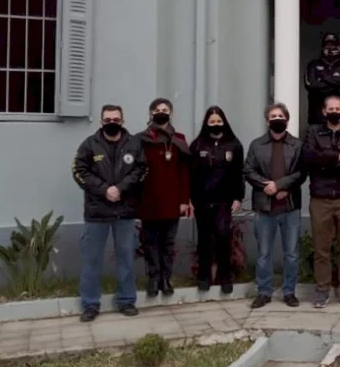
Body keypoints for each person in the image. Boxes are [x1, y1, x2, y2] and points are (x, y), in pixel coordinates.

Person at [71, 104, 147, 322]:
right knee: (92, 261)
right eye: (107, 119)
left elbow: (142, 169)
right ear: (101, 122)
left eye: (116, 119)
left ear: (122, 121)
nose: (112, 123)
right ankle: (90, 305)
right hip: (97, 213)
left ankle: (126, 301)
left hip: (125, 212)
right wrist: (104, 190)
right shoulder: (89, 145)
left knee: (126, 260)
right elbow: (78, 170)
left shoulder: (134, 143)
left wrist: (120, 188)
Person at [303, 94, 340, 309]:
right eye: (331, 108)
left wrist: (325, 158)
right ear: (324, 111)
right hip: (320, 197)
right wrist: (338, 157)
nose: (335, 111)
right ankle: (322, 290)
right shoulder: (313, 132)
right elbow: (309, 159)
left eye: (339, 108)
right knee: (322, 248)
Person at [244, 103, 305, 308]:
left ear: (287, 120)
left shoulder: (297, 145)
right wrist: (267, 187)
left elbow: (301, 172)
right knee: (263, 254)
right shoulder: (256, 144)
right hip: (264, 206)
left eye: (280, 115)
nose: (276, 118)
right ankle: (264, 292)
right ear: (267, 120)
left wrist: (280, 185)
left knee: (292, 254)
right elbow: (248, 171)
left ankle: (289, 292)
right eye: (273, 115)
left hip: (290, 207)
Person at [136, 98, 191, 299]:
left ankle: (166, 278)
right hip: (148, 200)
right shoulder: (141, 139)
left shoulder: (180, 139)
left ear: (171, 113)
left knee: (168, 243)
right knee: (150, 242)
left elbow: (185, 172)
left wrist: (185, 200)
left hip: (172, 200)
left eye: (165, 109)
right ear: (151, 113)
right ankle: (153, 278)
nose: (161, 112)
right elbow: (135, 171)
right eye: (157, 110)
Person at [189, 106, 245, 295]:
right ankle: (204, 276)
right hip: (202, 201)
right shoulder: (197, 145)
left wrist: (238, 197)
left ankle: (225, 276)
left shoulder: (234, 145)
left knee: (223, 238)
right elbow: (191, 175)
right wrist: (189, 198)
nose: (215, 125)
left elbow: (239, 173)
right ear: (206, 123)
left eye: (218, 121)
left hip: (224, 201)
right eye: (212, 122)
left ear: (224, 122)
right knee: (204, 240)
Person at [304, 32, 340, 126]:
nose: (331, 47)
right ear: (323, 47)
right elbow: (312, 85)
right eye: (328, 45)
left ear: (339, 47)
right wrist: (337, 86)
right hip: (317, 119)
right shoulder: (313, 65)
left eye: (334, 45)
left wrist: (324, 78)